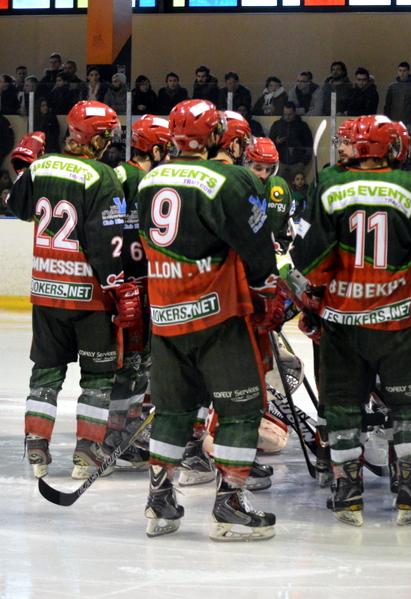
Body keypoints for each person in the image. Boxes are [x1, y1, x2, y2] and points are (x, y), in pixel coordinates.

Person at [291, 115, 411, 526]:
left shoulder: (328, 184)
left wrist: (315, 295)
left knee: (342, 406)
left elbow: (309, 257)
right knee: (410, 405)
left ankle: (347, 490)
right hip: (399, 321)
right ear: (390, 149)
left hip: (343, 322)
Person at [138, 98, 285, 541]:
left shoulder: (150, 180)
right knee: (241, 408)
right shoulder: (229, 178)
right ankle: (229, 506)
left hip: (164, 316)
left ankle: (159, 502)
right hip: (215, 314)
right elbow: (256, 246)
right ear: (216, 135)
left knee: (172, 409)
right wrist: (266, 289)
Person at [6, 101, 140, 480]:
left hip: (46, 291)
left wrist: (23, 170)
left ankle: (36, 448)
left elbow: (16, 207)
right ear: (94, 138)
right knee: (97, 376)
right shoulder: (102, 176)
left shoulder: (42, 166)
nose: (109, 142)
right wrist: (117, 285)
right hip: (88, 296)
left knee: (45, 371)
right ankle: (87, 451)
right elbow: (106, 240)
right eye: (106, 136)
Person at [109, 115, 174, 468]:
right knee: (129, 363)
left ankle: (129, 426)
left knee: (142, 362)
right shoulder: (128, 176)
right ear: (157, 147)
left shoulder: (151, 177)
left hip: (147, 283)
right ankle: (112, 431)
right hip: (132, 284)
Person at [245, 136, 293, 252]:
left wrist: (280, 246)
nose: (263, 175)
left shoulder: (280, 187)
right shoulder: (235, 185)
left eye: (268, 169)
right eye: (258, 168)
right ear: (246, 163)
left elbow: (286, 228)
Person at [268, 102, 312, 183]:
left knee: (295, 189)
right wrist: (276, 142)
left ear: (295, 113)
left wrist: (303, 162)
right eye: (285, 114)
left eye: (290, 114)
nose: (287, 117)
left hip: (297, 164)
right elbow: (269, 144)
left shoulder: (303, 126)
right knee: (278, 187)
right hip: (280, 163)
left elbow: (309, 146)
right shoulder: (276, 125)